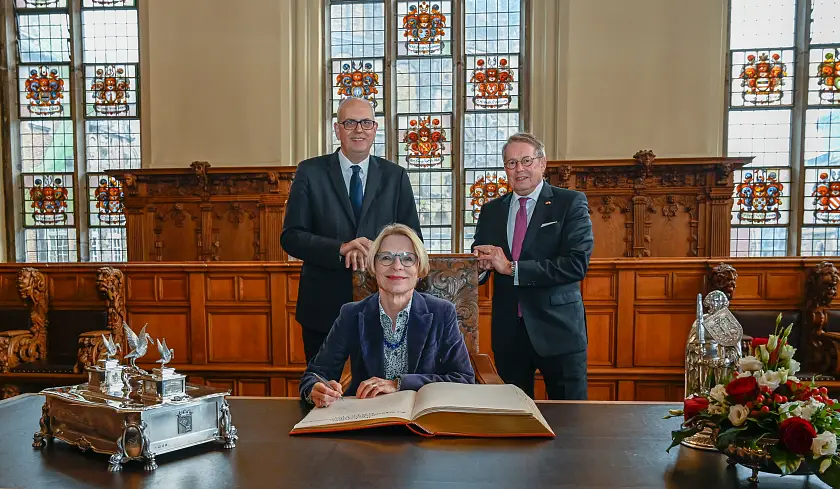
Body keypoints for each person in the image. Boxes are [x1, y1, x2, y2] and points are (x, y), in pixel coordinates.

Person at [281, 97, 422, 363]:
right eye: (350, 123)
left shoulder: (396, 177)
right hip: (322, 307)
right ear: (337, 129)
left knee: (378, 395)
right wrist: (339, 249)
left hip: (383, 307)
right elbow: (291, 236)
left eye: (366, 122)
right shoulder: (310, 172)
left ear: (375, 128)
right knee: (324, 392)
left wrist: (380, 251)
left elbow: (413, 240)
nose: (359, 129)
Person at [471, 132, 594, 400]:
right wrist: (479, 266)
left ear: (542, 163)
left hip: (559, 331)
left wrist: (512, 269)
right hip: (509, 333)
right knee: (512, 422)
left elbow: (575, 265)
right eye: (511, 163)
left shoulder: (569, 203)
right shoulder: (491, 210)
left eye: (526, 160)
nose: (519, 169)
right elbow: (479, 262)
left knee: (571, 423)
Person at [300, 224, 475, 407]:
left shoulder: (442, 312)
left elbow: (463, 378)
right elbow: (315, 374)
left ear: (419, 269)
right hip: (367, 418)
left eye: (407, 258)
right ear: (373, 267)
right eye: (386, 258)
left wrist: (399, 384)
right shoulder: (351, 314)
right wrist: (316, 389)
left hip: (422, 420)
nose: (397, 266)